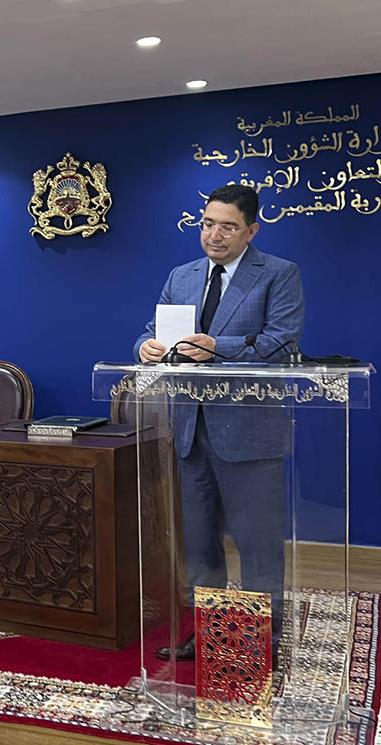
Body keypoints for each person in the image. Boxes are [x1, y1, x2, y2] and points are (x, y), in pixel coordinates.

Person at [134, 184, 304, 660]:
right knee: (200, 546)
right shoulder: (182, 276)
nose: (214, 235)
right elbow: (151, 332)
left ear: (251, 230)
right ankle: (211, 632)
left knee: (257, 544)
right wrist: (145, 348)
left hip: (250, 432)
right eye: (208, 224)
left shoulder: (279, 274)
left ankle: (262, 641)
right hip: (190, 431)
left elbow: (282, 343)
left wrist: (216, 348)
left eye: (228, 227)